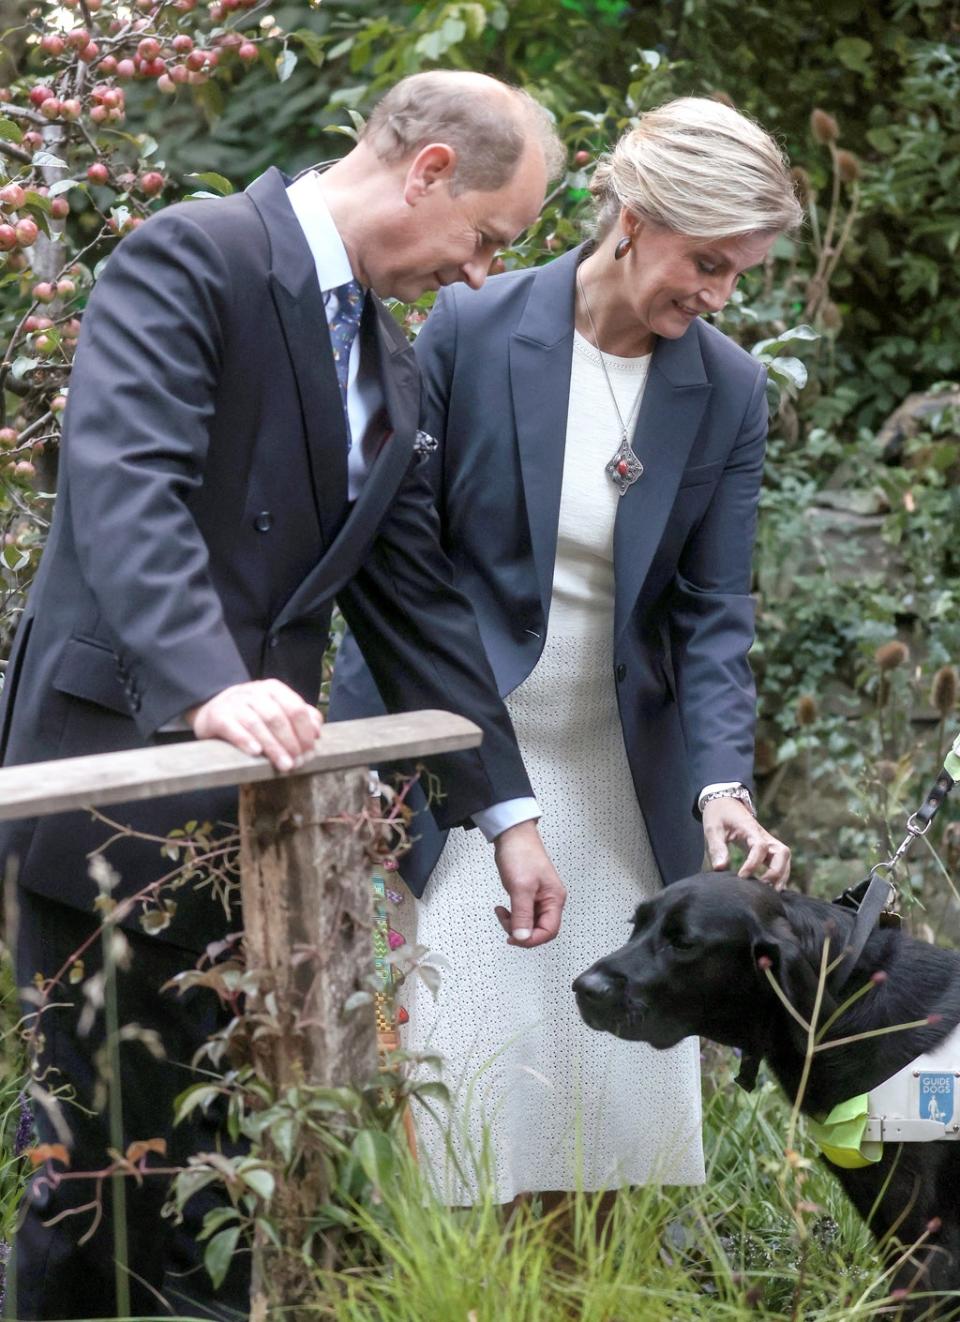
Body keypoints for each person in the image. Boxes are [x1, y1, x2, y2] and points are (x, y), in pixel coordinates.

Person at [0, 72, 569, 1320]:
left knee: (220, 1186)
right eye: (488, 235)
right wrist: (213, 681)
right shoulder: (191, 253)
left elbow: (414, 599)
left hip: (254, 827)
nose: (480, 272)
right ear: (426, 170)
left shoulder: (391, 358)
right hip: (113, 795)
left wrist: (507, 812)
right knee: (94, 1173)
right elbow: (125, 485)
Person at [331, 97, 801, 1205]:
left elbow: (713, 608)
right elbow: (409, 567)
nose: (719, 295)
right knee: (461, 1077)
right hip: (458, 758)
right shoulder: (474, 325)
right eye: (707, 261)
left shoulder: (728, 388)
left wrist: (721, 780)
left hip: (617, 772)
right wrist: (465, 777)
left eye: (741, 274)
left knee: (617, 1108)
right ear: (633, 219)